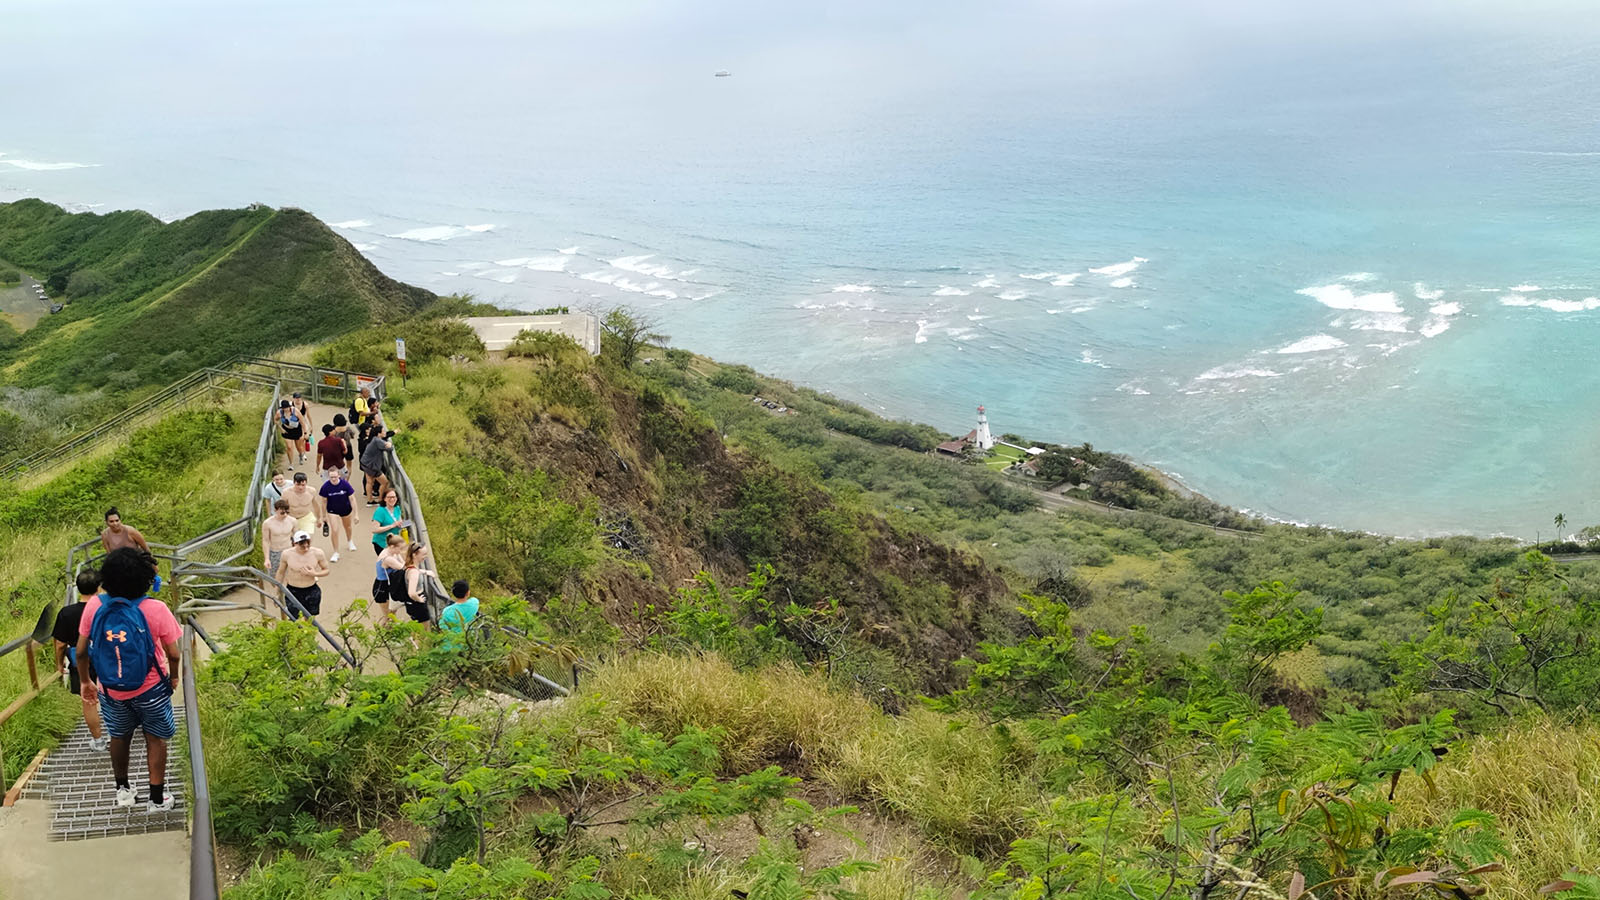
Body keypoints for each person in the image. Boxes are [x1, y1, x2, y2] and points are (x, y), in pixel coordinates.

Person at [77, 547, 181, 812]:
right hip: (150, 688)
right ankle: (156, 799)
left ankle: (123, 791)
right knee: (155, 738)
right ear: (144, 578)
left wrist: (86, 682)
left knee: (119, 737)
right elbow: (174, 654)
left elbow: (80, 650)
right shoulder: (156, 609)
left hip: (110, 689)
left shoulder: (94, 605)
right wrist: (174, 678)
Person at [54, 569, 108, 752]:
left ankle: (99, 741)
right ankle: (120, 735)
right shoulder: (105, 608)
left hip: (80, 660)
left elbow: (60, 644)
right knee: (115, 696)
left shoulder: (66, 613)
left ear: (77, 587)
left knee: (89, 700)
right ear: (99, 587)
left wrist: (59, 664)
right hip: (107, 656)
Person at [274, 531, 329, 620]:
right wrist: (277, 592)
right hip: (293, 590)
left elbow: (326, 570)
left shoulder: (317, 553)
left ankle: (307, 633)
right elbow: (281, 572)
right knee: (293, 618)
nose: (306, 549)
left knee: (310, 618)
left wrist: (314, 574)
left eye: (308, 546)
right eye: (302, 547)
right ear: (295, 544)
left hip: (311, 589)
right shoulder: (287, 554)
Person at [318, 466, 358, 562]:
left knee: (347, 527)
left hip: (345, 509)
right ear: (328, 477)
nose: (333, 479)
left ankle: (349, 541)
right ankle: (336, 552)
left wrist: (356, 514)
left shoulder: (345, 484)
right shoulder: (325, 487)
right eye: (331, 477)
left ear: (339, 475)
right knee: (335, 530)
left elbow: (352, 499)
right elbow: (323, 502)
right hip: (332, 510)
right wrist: (323, 516)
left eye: (335, 477)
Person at [261, 499, 295, 584]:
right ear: (275, 510)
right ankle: (278, 594)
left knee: (289, 577)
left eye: (287, 512)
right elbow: (266, 540)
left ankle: (286, 595)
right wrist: (267, 558)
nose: (285, 515)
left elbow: (296, 537)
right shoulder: (267, 523)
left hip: (288, 551)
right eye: (282, 513)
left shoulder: (292, 521)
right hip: (275, 552)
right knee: (274, 579)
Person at [372, 533, 405, 621]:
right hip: (382, 588)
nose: (401, 551)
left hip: (389, 585)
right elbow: (403, 567)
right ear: (392, 546)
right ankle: (383, 632)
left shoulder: (393, 553)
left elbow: (403, 562)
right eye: (400, 548)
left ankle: (388, 632)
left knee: (392, 614)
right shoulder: (387, 558)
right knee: (388, 616)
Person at [402, 543, 435, 624]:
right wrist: (419, 600)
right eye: (423, 554)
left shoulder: (409, 567)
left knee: (416, 626)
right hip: (417, 603)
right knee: (424, 628)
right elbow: (411, 593)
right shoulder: (414, 573)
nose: (426, 556)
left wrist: (425, 572)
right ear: (414, 555)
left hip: (411, 604)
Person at [360, 428, 394, 505]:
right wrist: (390, 444)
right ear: (379, 433)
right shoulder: (378, 441)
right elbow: (390, 448)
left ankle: (370, 500)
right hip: (372, 466)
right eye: (383, 431)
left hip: (365, 463)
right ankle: (380, 500)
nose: (385, 432)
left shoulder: (374, 439)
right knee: (385, 482)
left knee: (369, 482)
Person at [370, 488, 407, 554]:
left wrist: (401, 524)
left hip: (393, 543)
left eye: (394, 497)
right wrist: (391, 526)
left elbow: (399, 520)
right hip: (381, 543)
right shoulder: (380, 511)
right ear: (384, 499)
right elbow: (374, 529)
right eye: (389, 497)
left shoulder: (397, 508)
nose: (392, 499)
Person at [284, 471, 318, 536]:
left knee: (307, 539)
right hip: (291, 518)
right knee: (293, 540)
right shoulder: (286, 493)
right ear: (294, 483)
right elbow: (282, 507)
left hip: (306, 517)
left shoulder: (311, 491)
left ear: (306, 483)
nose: (300, 487)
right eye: (298, 485)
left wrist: (319, 518)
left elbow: (316, 505)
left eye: (303, 485)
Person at [278, 399, 307, 469]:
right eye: (284, 408)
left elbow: (302, 422)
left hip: (296, 430)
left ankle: (301, 455)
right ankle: (291, 464)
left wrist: (305, 432)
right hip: (286, 430)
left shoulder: (296, 411)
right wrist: (281, 429)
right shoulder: (279, 413)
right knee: (289, 447)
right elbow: (275, 420)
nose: (286, 409)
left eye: (287, 408)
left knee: (298, 447)